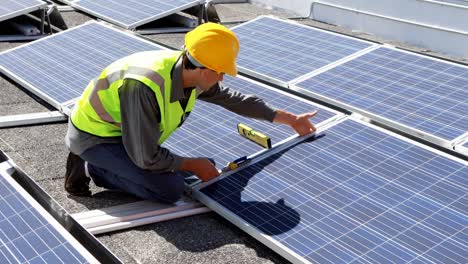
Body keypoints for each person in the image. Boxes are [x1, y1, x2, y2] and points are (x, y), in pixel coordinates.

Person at [64, 22, 317, 203]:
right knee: (170, 189)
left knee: (205, 166)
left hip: (128, 134)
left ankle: (114, 164)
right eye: (219, 71)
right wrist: (191, 164)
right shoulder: (144, 86)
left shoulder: (189, 74)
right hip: (95, 137)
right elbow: (146, 157)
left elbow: (235, 100)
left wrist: (289, 119)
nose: (222, 77)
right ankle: (92, 168)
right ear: (200, 67)